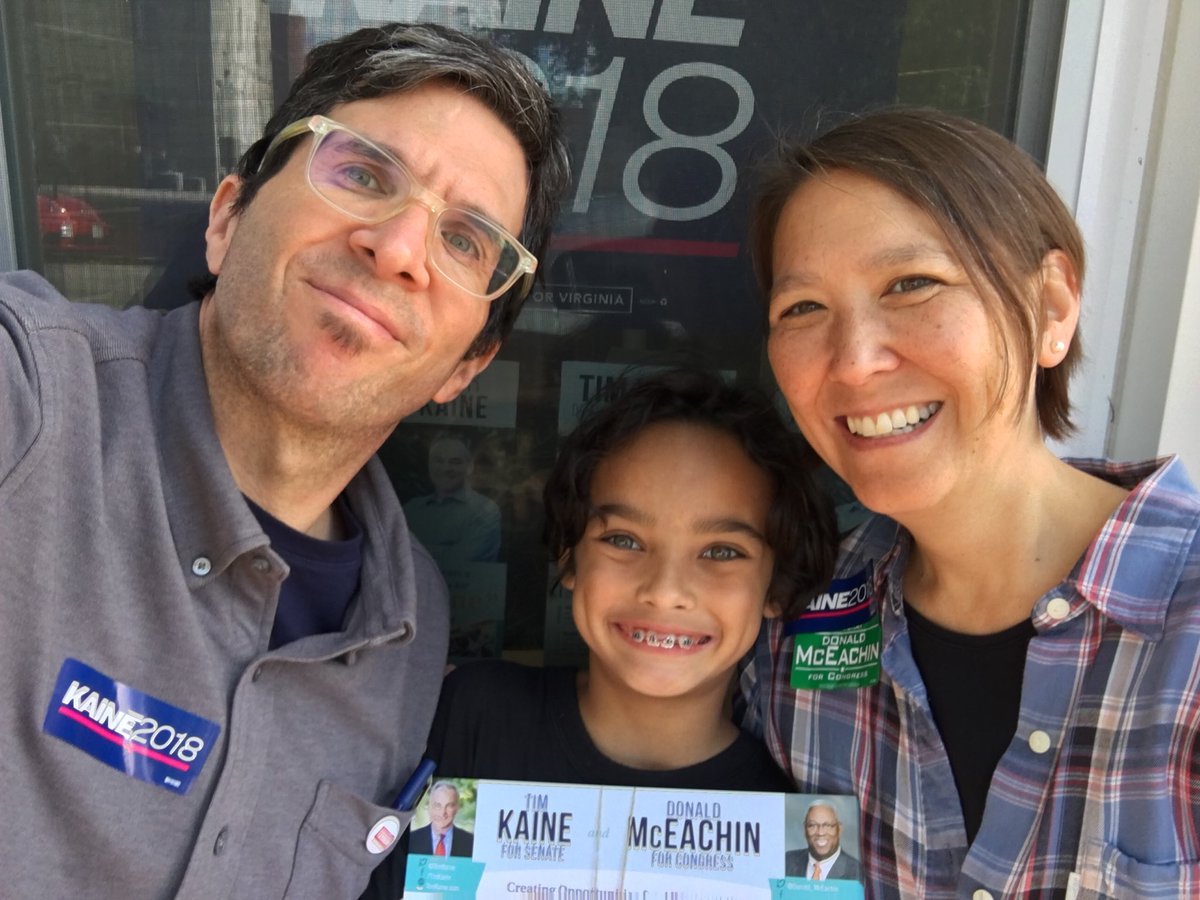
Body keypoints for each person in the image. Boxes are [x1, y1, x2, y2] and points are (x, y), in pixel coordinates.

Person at [0, 22, 569, 900]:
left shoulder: (410, 628)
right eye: (364, 173)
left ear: (467, 367)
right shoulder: (30, 402)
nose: (400, 247)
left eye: (465, 241)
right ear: (228, 217)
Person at [739, 107, 1200, 897]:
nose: (854, 361)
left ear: (1052, 308)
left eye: (912, 284)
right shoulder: (789, 638)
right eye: (803, 309)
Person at [363, 367, 838, 898]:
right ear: (569, 557)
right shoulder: (471, 715)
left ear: (776, 585)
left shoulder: (793, 822)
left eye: (722, 552)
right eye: (624, 540)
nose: (664, 589)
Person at [404, 433, 502, 567]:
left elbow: (462, 561)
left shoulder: (485, 510)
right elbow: (397, 557)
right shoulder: (411, 509)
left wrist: (420, 550)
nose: (445, 468)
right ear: (429, 464)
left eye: (455, 462)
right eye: (438, 460)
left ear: (470, 467)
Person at [784, 800, 862, 881]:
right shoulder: (787, 861)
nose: (820, 833)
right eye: (812, 825)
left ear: (839, 830)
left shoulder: (856, 871)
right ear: (805, 830)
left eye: (827, 825)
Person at [407, 781, 475, 858]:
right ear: (429, 807)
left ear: (457, 808)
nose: (443, 813)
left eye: (449, 806)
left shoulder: (471, 842)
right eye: (437, 805)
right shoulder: (412, 839)